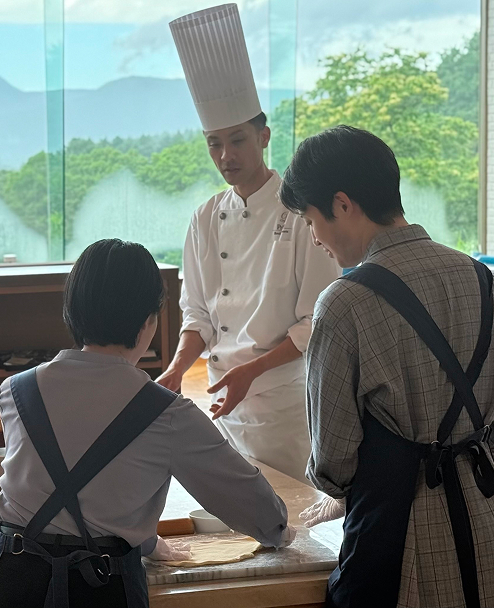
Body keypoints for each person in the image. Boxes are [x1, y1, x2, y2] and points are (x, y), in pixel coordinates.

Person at [285, 126, 494, 608]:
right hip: (493, 535)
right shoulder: (485, 281)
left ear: (342, 204)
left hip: (400, 548)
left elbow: (335, 464)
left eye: (309, 219)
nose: (315, 236)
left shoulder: (344, 304)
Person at [0, 238, 294, 608]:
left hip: (9, 578)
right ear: (148, 323)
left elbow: (61, 495)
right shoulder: (168, 413)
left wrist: (149, 541)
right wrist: (278, 531)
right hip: (101, 587)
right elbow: (247, 499)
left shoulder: (15, 391)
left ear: (71, 311)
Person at [156, 3, 339, 481]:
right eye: (214, 143)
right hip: (222, 400)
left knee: (295, 527)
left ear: (264, 137)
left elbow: (312, 324)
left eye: (237, 140)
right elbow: (197, 312)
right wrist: (177, 369)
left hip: (283, 406)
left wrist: (251, 372)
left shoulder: (302, 213)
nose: (225, 155)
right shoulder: (204, 217)